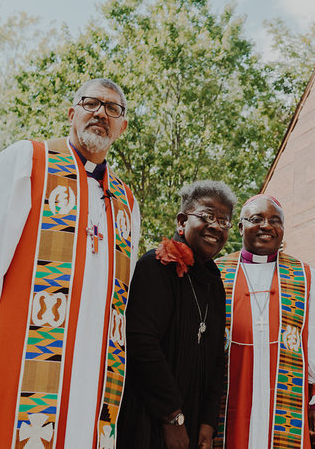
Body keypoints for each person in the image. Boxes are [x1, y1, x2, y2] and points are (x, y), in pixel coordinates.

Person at [0, 78, 141, 448]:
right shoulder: (29, 161)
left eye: (113, 109)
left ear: (122, 126)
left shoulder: (126, 201)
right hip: (24, 352)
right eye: (91, 103)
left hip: (96, 367)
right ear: (72, 113)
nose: (101, 113)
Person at [213, 194, 315, 449]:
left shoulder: (306, 277)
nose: (266, 226)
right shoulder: (216, 272)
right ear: (240, 226)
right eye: (256, 219)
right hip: (229, 396)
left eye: (275, 220)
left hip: (288, 403)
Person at [118, 180, 236, 449]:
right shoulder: (155, 267)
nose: (216, 226)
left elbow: (217, 357)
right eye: (207, 216)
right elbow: (141, 345)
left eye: (224, 221)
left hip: (192, 420)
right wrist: (173, 418)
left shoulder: (215, 282)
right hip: (150, 416)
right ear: (182, 221)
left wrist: (208, 421)